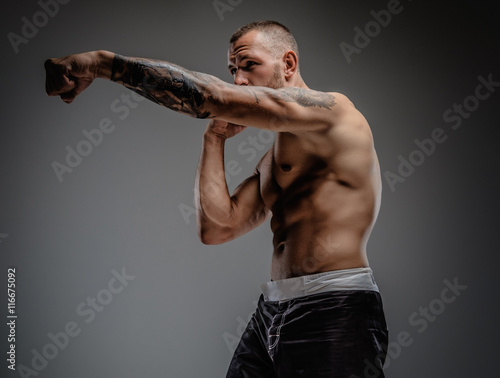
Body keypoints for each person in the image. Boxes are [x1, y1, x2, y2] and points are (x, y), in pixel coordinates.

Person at [45, 20, 388, 378]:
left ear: (288, 64)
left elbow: (211, 97)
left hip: (334, 305)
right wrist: (215, 139)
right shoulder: (273, 159)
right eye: (233, 70)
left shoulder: (333, 111)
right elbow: (218, 227)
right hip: (273, 308)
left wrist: (101, 64)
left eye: (249, 65)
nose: (238, 80)